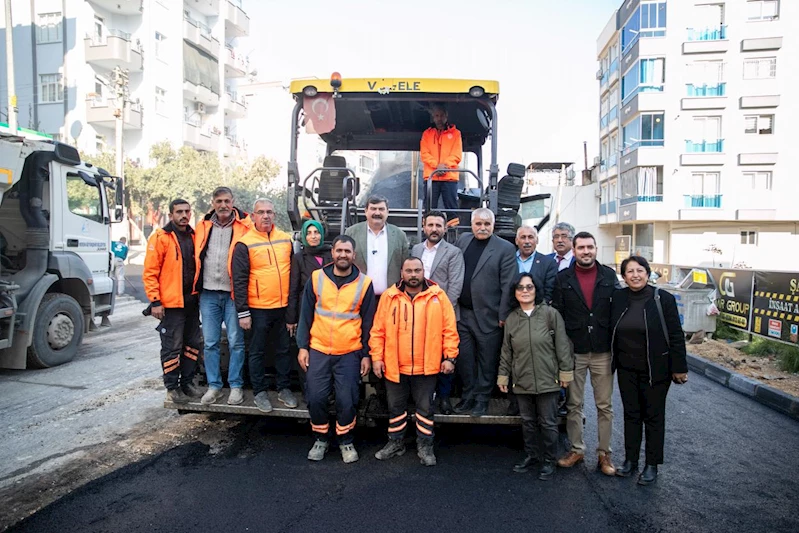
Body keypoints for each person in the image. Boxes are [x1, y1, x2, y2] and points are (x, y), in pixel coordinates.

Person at [370, 257, 458, 466]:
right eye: (408, 271)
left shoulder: (438, 295)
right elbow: (378, 331)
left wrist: (450, 357)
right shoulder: (389, 297)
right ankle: (396, 442)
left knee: (425, 409)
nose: (413, 274)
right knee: (395, 408)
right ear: (402, 273)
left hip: (426, 366)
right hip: (395, 365)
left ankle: (425, 446)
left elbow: (449, 330)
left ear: (423, 272)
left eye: (417, 270)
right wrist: (376, 358)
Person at [296, 235, 376, 464]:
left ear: (354, 254)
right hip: (319, 349)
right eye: (339, 250)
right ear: (332, 253)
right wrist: (303, 347)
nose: (343, 255)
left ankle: (345, 440)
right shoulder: (316, 278)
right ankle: (320, 439)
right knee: (316, 397)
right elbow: (306, 315)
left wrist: (366, 354)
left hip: (349, 352)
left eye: (347, 251)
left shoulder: (364, 283)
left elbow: (369, 322)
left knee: (346, 399)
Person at [611, 256, 688, 485]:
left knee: (653, 417)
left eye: (639, 270)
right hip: (627, 370)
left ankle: (652, 464)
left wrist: (679, 367)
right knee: (631, 415)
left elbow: (675, 334)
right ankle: (630, 461)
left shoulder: (662, 298)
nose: (635, 275)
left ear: (648, 273)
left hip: (656, 370)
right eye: (629, 271)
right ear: (623, 277)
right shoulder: (618, 298)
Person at [552, 231, 619, 476]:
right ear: (574, 249)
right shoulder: (563, 279)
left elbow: (617, 312)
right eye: (581, 248)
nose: (586, 251)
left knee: (605, 405)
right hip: (574, 351)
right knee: (574, 404)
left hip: (602, 350)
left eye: (590, 247)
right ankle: (577, 449)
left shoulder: (609, 276)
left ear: (595, 249)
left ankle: (605, 454)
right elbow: (558, 316)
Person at [498, 273, 573, 480]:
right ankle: (532, 455)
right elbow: (506, 351)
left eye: (529, 287)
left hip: (548, 379)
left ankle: (549, 460)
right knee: (528, 422)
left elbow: (562, 345)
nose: (525, 291)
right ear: (515, 292)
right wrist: (503, 377)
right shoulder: (513, 318)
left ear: (536, 290)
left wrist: (565, 373)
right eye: (520, 287)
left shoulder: (550, 314)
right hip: (521, 379)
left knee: (548, 422)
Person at [231, 198, 298, 413]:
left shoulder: (285, 240)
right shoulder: (244, 243)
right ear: (253, 216)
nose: (266, 216)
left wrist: (291, 311)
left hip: (282, 306)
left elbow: (292, 276)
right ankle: (260, 392)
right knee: (257, 351)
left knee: (283, 349)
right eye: (261, 212)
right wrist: (243, 312)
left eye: (269, 212)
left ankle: (284, 388)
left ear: (275, 215)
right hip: (257, 308)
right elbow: (239, 280)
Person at [454, 207, 516, 417]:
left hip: (489, 315)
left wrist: (503, 314)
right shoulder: (463, 240)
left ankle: (482, 399)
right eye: (478, 223)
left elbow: (509, 284)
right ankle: (468, 395)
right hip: (463, 314)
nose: (482, 227)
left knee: (487, 361)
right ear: (471, 224)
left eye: (486, 224)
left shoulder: (505, 248)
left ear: (493, 225)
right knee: (465, 359)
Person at [193, 187, 252, 406]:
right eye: (219, 201)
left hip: (233, 295)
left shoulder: (245, 226)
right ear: (213, 202)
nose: (223, 205)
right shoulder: (203, 226)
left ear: (233, 202)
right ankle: (214, 386)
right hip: (208, 294)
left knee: (236, 341)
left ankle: (235, 386)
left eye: (227, 200)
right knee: (210, 343)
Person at [142, 199, 202, 404]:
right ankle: (172, 387)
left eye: (187, 211)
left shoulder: (194, 236)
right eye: (179, 212)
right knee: (172, 347)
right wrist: (155, 301)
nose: (184, 215)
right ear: (171, 215)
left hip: (192, 303)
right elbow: (150, 273)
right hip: (171, 305)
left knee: (192, 344)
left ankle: (187, 382)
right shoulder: (161, 237)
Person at [411, 211, 465, 415]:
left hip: (443, 315)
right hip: (418, 313)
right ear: (424, 226)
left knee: (446, 358)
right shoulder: (416, 249)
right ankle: (422, 398)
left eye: (438, 225)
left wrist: (443, 314)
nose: (434, 229)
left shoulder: (453, 252)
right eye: (431, 225)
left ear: (445, 228)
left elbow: (455, 286)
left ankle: (444, 398)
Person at [287, 220, 333, 394]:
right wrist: (291, 318)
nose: (313, 236)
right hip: (306, 311)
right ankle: (309, 393)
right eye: (309, 233)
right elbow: (293, 288)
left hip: (329, 312)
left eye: (317, 232)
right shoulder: (299, 258)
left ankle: (328, 394)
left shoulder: (331, 255)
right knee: (305, 351)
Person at [345, 195, 409, 300]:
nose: (377, 213)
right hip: (359, 297)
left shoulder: (399, 235)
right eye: (373, 209)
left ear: (387, 211)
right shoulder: (352, 233)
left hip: (390, 298)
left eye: (381, 209)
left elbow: (405, 267)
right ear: (366, 211)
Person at [420, 104, 463, 219]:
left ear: (446, 116)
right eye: (436, 116)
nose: (439, 118)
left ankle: (453, 233)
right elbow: (424, 154)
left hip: (449, 178)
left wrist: (444, 167)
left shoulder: (456, 134)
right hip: (431, 177)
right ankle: (426, 233)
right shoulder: (427, 134)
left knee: (451, 208)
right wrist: (436, 166)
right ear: (433, 117)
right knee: (429, 208)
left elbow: (457, 154)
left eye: (441, 115)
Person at [515, 226, 557, 303]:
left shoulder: (548, 263)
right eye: (523, 237)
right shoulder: (508, 260)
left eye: (530, 237)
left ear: (537, 240)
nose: (527, 241)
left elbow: (549, 292)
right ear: (517, 241)